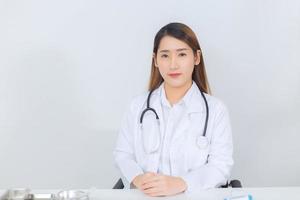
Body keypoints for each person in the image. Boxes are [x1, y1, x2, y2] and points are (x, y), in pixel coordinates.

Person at [113, 22, 233, 197]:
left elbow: (221, 166)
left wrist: (181, 183)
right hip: (145, 195)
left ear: (196, 58)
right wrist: (139, 178)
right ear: (155, 60)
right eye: (165, 56)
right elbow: (123, 154)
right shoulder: (137, 107)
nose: (173, 65)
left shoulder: (216, 110)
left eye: (182, 54)